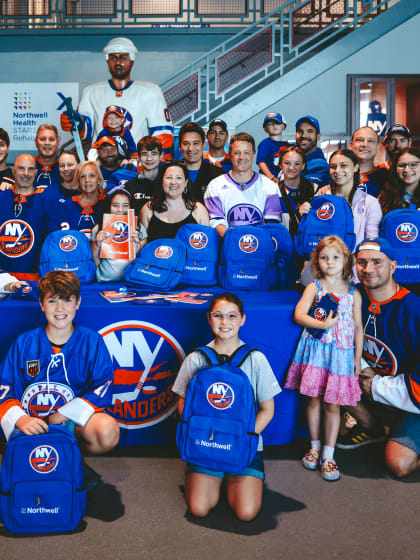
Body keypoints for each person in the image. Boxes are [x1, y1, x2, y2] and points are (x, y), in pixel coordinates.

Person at [172, 292, 281, 520]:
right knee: (199, 509)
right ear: (209, 318)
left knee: (246, 513)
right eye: (219, 316)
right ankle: (204, 473)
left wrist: (245, 438)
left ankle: (236, 476)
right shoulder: (197, 358)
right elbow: (182, 401)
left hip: (242, 443)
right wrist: (197, 434)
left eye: (232, 316)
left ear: (242, 319)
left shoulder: (256, 359)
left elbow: (268, 409)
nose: (225, 322)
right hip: (206, 442)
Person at [0, 270, 119, 455]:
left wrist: (58, 417)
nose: (60, 309)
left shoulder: (91, 341)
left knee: (107, 430)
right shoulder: (25, 343)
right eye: (52, 301)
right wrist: (21, 419)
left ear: (78, 302)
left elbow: (102, 386)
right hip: (30, 419)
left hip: (68, 420)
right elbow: (4, 388)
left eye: (67, 300)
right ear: (41, 304)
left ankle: (70, 460)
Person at [337, 238, 420, 478]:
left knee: (399, 464)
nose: (368, 269)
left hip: (410, 398)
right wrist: (363, 369)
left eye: (377, 262)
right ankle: (371, 426)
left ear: (393, 266)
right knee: (322, 372)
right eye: (361, 262)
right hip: (375, 385)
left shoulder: (413, 309)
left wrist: (376, 385)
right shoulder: (354, 298)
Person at [284, 236, 363, 481]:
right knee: (314, 400)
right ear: (317, 261)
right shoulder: (314, 287)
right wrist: (322, 323)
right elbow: (299, 315)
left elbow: (359, 326)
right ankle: (314, 448)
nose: (330, 262)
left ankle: (329, 455)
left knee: (334, 404)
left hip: (340, 356)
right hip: (316, 352)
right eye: (324, 257)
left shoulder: (353, 293)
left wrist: (357, 358)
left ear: (346, 260)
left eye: (335, 257)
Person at [60, 37, 173, 161]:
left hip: (136, 166)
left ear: (132, 61)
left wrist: (159, 165)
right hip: (101, 166)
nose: (118, 62)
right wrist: (76, 122)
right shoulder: (91, 92)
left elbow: (162, 134)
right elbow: (86, 131)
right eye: (113, 58)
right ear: (107, 61)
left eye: (123, 58)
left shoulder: (151, 92)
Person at [204, 132, 282, 237]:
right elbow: (216, 223)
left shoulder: (269, 186)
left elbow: (272, 226)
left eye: (246, 152)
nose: (242, 157)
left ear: (253, 155)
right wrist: (237, 243)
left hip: (260, 247)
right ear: (230, 155)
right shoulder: (215, 186)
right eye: (237, 153)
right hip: (229, 247)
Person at [0, 154, 53, 280]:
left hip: (33, 280)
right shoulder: (1, 197)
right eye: (21, 168)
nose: (26, 173)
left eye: (30, 169)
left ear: (35, 172)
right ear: (13, 171)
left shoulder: (45, 202)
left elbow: (51, 244)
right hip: (2, 279)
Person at [317, 149, 382, 247]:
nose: (337, 171)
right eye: (333, 167)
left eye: (344, 165)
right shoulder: (321, 197)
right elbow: (314, 232)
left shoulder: (370, 202)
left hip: (355, 261)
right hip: (326, 259)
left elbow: (371, 242)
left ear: (355, 167)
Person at [139, 159, 209, 242]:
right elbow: (142, 245)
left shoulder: (198, 210)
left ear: (186, 182)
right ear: (162, 182)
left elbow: (206, 247)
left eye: (178, 178)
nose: (173, 182)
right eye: (169, 177)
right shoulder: (148, 209)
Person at [91, 187, 144, 282]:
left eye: (125, 205)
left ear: (131, 207)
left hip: (130, 282)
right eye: (115, 205)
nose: (120, 210)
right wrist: (97, 244)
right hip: (104, 281)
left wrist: (138, 245)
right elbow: (94, 263)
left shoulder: (139, 228)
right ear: (109, 207)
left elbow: (142, 261)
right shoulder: (99, 228)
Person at [57, 160, 105, 238]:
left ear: (99, 180)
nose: (87, 180)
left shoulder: (107, 201)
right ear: (78, 181)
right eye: (82, 176)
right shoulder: (69, 204)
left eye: (92, 175)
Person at [178, 122, 225, 202]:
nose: (191, 148)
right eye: (186, 144)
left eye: (196, 143)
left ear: (203, 146)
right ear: (179, 146)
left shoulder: (218, 175)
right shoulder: (170, 173)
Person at [277, 146, 315, 236]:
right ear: (280, 165)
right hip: (284, 244)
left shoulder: (314, 189)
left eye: (297, 163)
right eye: (287, 163)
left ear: (303, 166)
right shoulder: (273, 191)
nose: (291, 167)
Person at [124, 136, 162, 213]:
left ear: (161, 156)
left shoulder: (168, 184)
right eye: (144, 154)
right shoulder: (129, 186)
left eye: (153, 153)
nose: (149, 158)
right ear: (139, 157)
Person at [378, 148, 420, 214]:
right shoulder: (386, 195)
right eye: (402, 165)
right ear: (395, 168)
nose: (406, 170)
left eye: (413, 164)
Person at [349, 126, 388, 197]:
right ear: (351, 145)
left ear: (378, 147)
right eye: (360, 140)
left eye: (370, 141)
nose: (365, 145)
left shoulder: (386, 177)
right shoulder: (340, 174)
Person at [294, 115, 330, 189]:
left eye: (310, 131)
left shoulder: (320, 165)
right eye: (300, 131)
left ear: (318, 136)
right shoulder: (290, 156)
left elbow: (302, 191)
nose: (304, 135)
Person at [256, 112, 289, 183]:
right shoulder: (265, 144)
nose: (274, 125)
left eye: (277, 123)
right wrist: (272, 178)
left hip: (285, 179)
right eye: (270, 124)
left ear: (283, 126)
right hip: (269, 180)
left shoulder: (288, 145)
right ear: (265, 129)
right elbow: (261, 162)